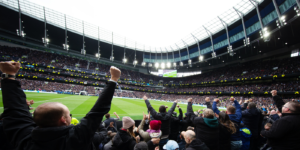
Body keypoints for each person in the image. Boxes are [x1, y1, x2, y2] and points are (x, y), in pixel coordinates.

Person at [0, 61, 121, 150]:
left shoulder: (24, 138)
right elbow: (98, 112)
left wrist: (9, 75)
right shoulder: (74, 139)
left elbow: (16, 112)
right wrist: (114, 79)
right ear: (63, 120)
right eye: (68, 114)